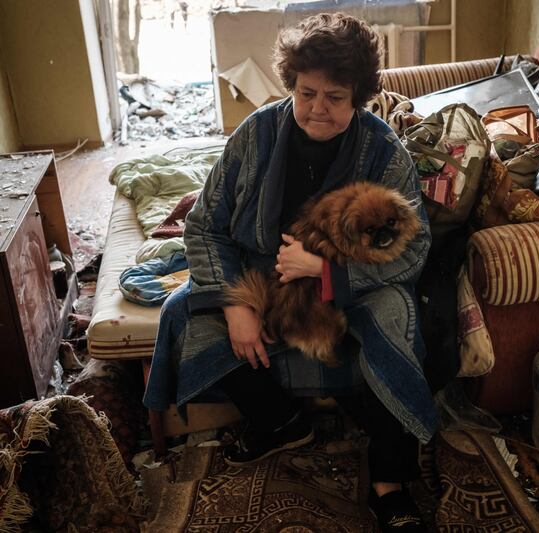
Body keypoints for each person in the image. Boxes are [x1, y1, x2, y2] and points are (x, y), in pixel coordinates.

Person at [144, 12, 435, 532]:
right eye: (306, 93)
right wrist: (234, 303)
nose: (317, 110)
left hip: (352, 286)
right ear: (291, 85)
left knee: (397, 314)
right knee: (183, 312)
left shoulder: (384, 150)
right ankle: (281, 422)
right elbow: (206, 224)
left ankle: (389, 480)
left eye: (335, 97)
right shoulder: (256, 134)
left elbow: (414, 251)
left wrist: (326, 272)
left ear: (360, 96)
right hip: (265, 277)